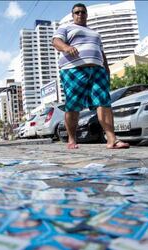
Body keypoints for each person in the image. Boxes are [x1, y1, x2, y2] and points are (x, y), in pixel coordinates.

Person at [52, 3, 130, 150]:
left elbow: (101, 52)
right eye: (77, 12)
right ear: (73, 15)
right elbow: (56, 41)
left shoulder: (95, 33)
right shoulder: (66, 27)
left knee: (104, 103)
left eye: (83, 12)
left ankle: (112, 139)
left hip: (97, 71)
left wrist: (106, 70)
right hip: (73, 70)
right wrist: (67, 48)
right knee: (73, 105)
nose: (80, 14)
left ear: (86, 14)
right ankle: (72, 139)